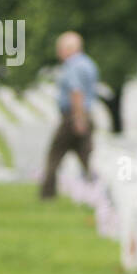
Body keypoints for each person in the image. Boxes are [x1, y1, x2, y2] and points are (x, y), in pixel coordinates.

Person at [39, 31, 100, 200]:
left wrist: (78, 118)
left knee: (55, 155)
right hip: (84, 114)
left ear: (70, 48)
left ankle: (47, 193)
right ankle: (97, 191)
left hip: (73, 116)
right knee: (86, 155)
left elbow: (76, 92)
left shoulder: (73, 66)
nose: (58, 52)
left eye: (60, 48)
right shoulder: (88, 64)